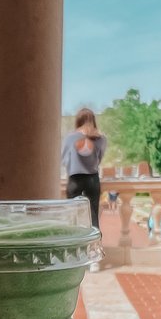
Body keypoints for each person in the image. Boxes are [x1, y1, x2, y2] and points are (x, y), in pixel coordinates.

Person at [62, 108, 107, 268]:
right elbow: (100, 157)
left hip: (75, 179)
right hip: (92, 178)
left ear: (78, 120)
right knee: (93, 216)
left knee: (72, 217)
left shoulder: (70, 138)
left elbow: (64, 158)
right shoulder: (100, 138)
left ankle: (74, 256)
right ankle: (94, 258)